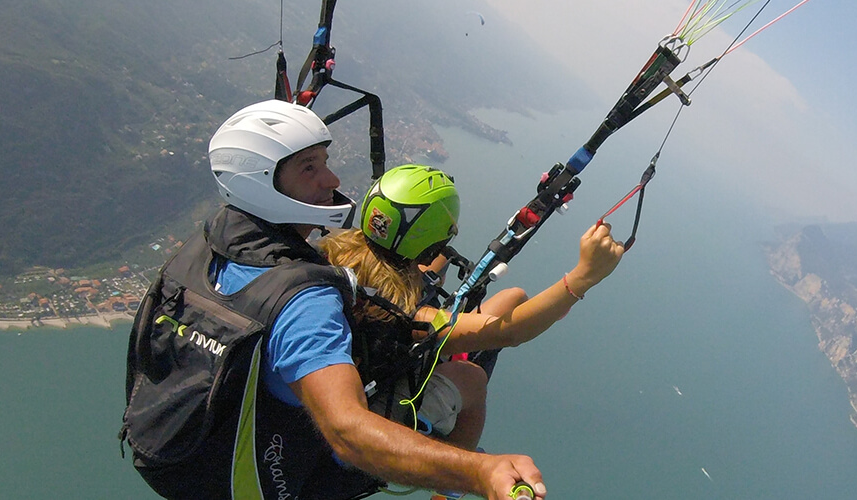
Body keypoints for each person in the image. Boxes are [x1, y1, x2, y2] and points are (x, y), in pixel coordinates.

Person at [121, 99, 620, 499]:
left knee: (503, 295)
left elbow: (394, 271)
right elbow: (350, 432)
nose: (333, 181)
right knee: (469, 373)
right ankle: (446, 491)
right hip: (306, 461)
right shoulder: (310, 301)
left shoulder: (213, 245)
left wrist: (425, 266)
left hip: (176, 443)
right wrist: (582, 277)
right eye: (310, 168)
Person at [317, 165, 626, 475]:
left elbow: (416, 272)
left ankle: (548, 311)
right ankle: (454, 475)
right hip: (376, 409)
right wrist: (582, 278)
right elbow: (510, 332)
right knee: (472, 378)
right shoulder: (407, 313)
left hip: (374, 361)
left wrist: (435, 257)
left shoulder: (346, 253)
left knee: (513, 297)